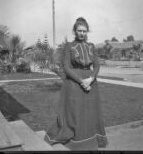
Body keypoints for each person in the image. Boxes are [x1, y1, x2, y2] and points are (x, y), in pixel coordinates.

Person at [44, 17, 108, 150]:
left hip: (91, 83)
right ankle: (77, 142)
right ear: (74, 31)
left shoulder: (91, 46)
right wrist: (81, 81)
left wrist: (90, 79)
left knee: (90, 112)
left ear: (87, 32)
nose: (82, 33)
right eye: (79, 31)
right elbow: (66, 68)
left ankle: (92, 140)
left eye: (84, 31)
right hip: (73, 84)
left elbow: (96, 65)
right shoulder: (69, 46)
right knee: (75, 113)